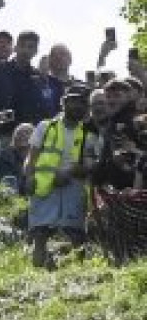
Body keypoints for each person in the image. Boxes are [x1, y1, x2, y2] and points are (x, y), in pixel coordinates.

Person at [24, 85, 100, 268]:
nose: (77, 106)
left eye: (82, 102)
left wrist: (70, 172)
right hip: (44, 187)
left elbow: (90, 167)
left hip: (73, 189)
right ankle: (36, 272)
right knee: (40, 234)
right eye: (73, 101)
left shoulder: (89, 134)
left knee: (76, 235)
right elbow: (31, 156)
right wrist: (28, 177)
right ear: (64, 102)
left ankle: (78, 274)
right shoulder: (45, 127)